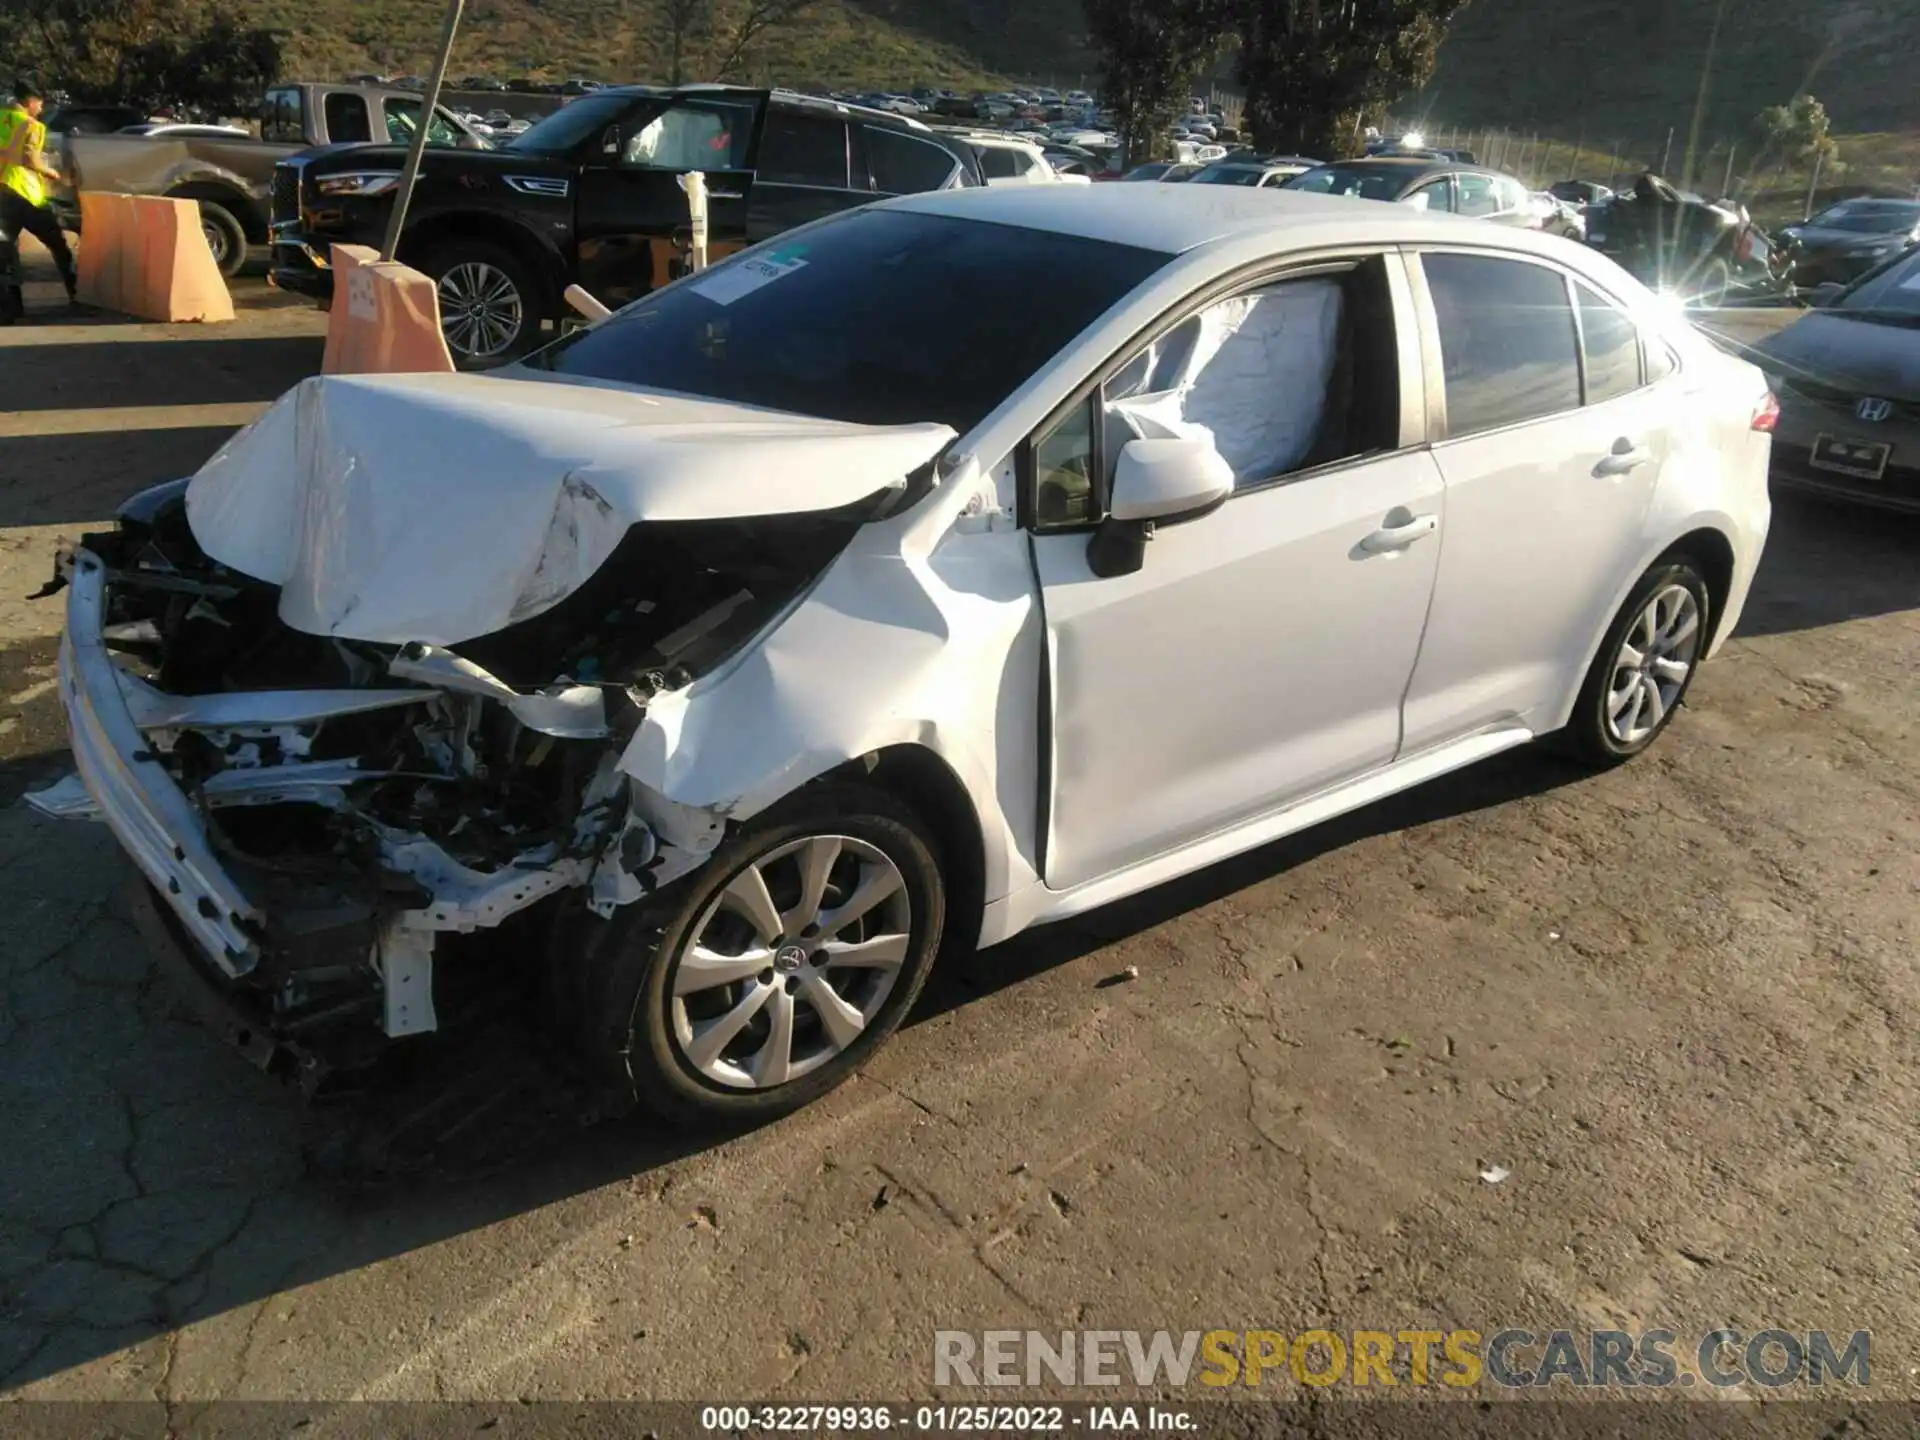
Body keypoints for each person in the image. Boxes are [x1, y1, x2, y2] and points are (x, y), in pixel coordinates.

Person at [0, 81, 79, 322]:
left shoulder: (1, 117)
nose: (41, 107)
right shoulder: (31, 125)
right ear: (28, 101)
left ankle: (9, 310)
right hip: (26, 195)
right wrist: (53, 174)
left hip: (1, 195)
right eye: (39, 102)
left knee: (5, 252)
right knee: (58, 245)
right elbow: (30, 160)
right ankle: (77, 295)